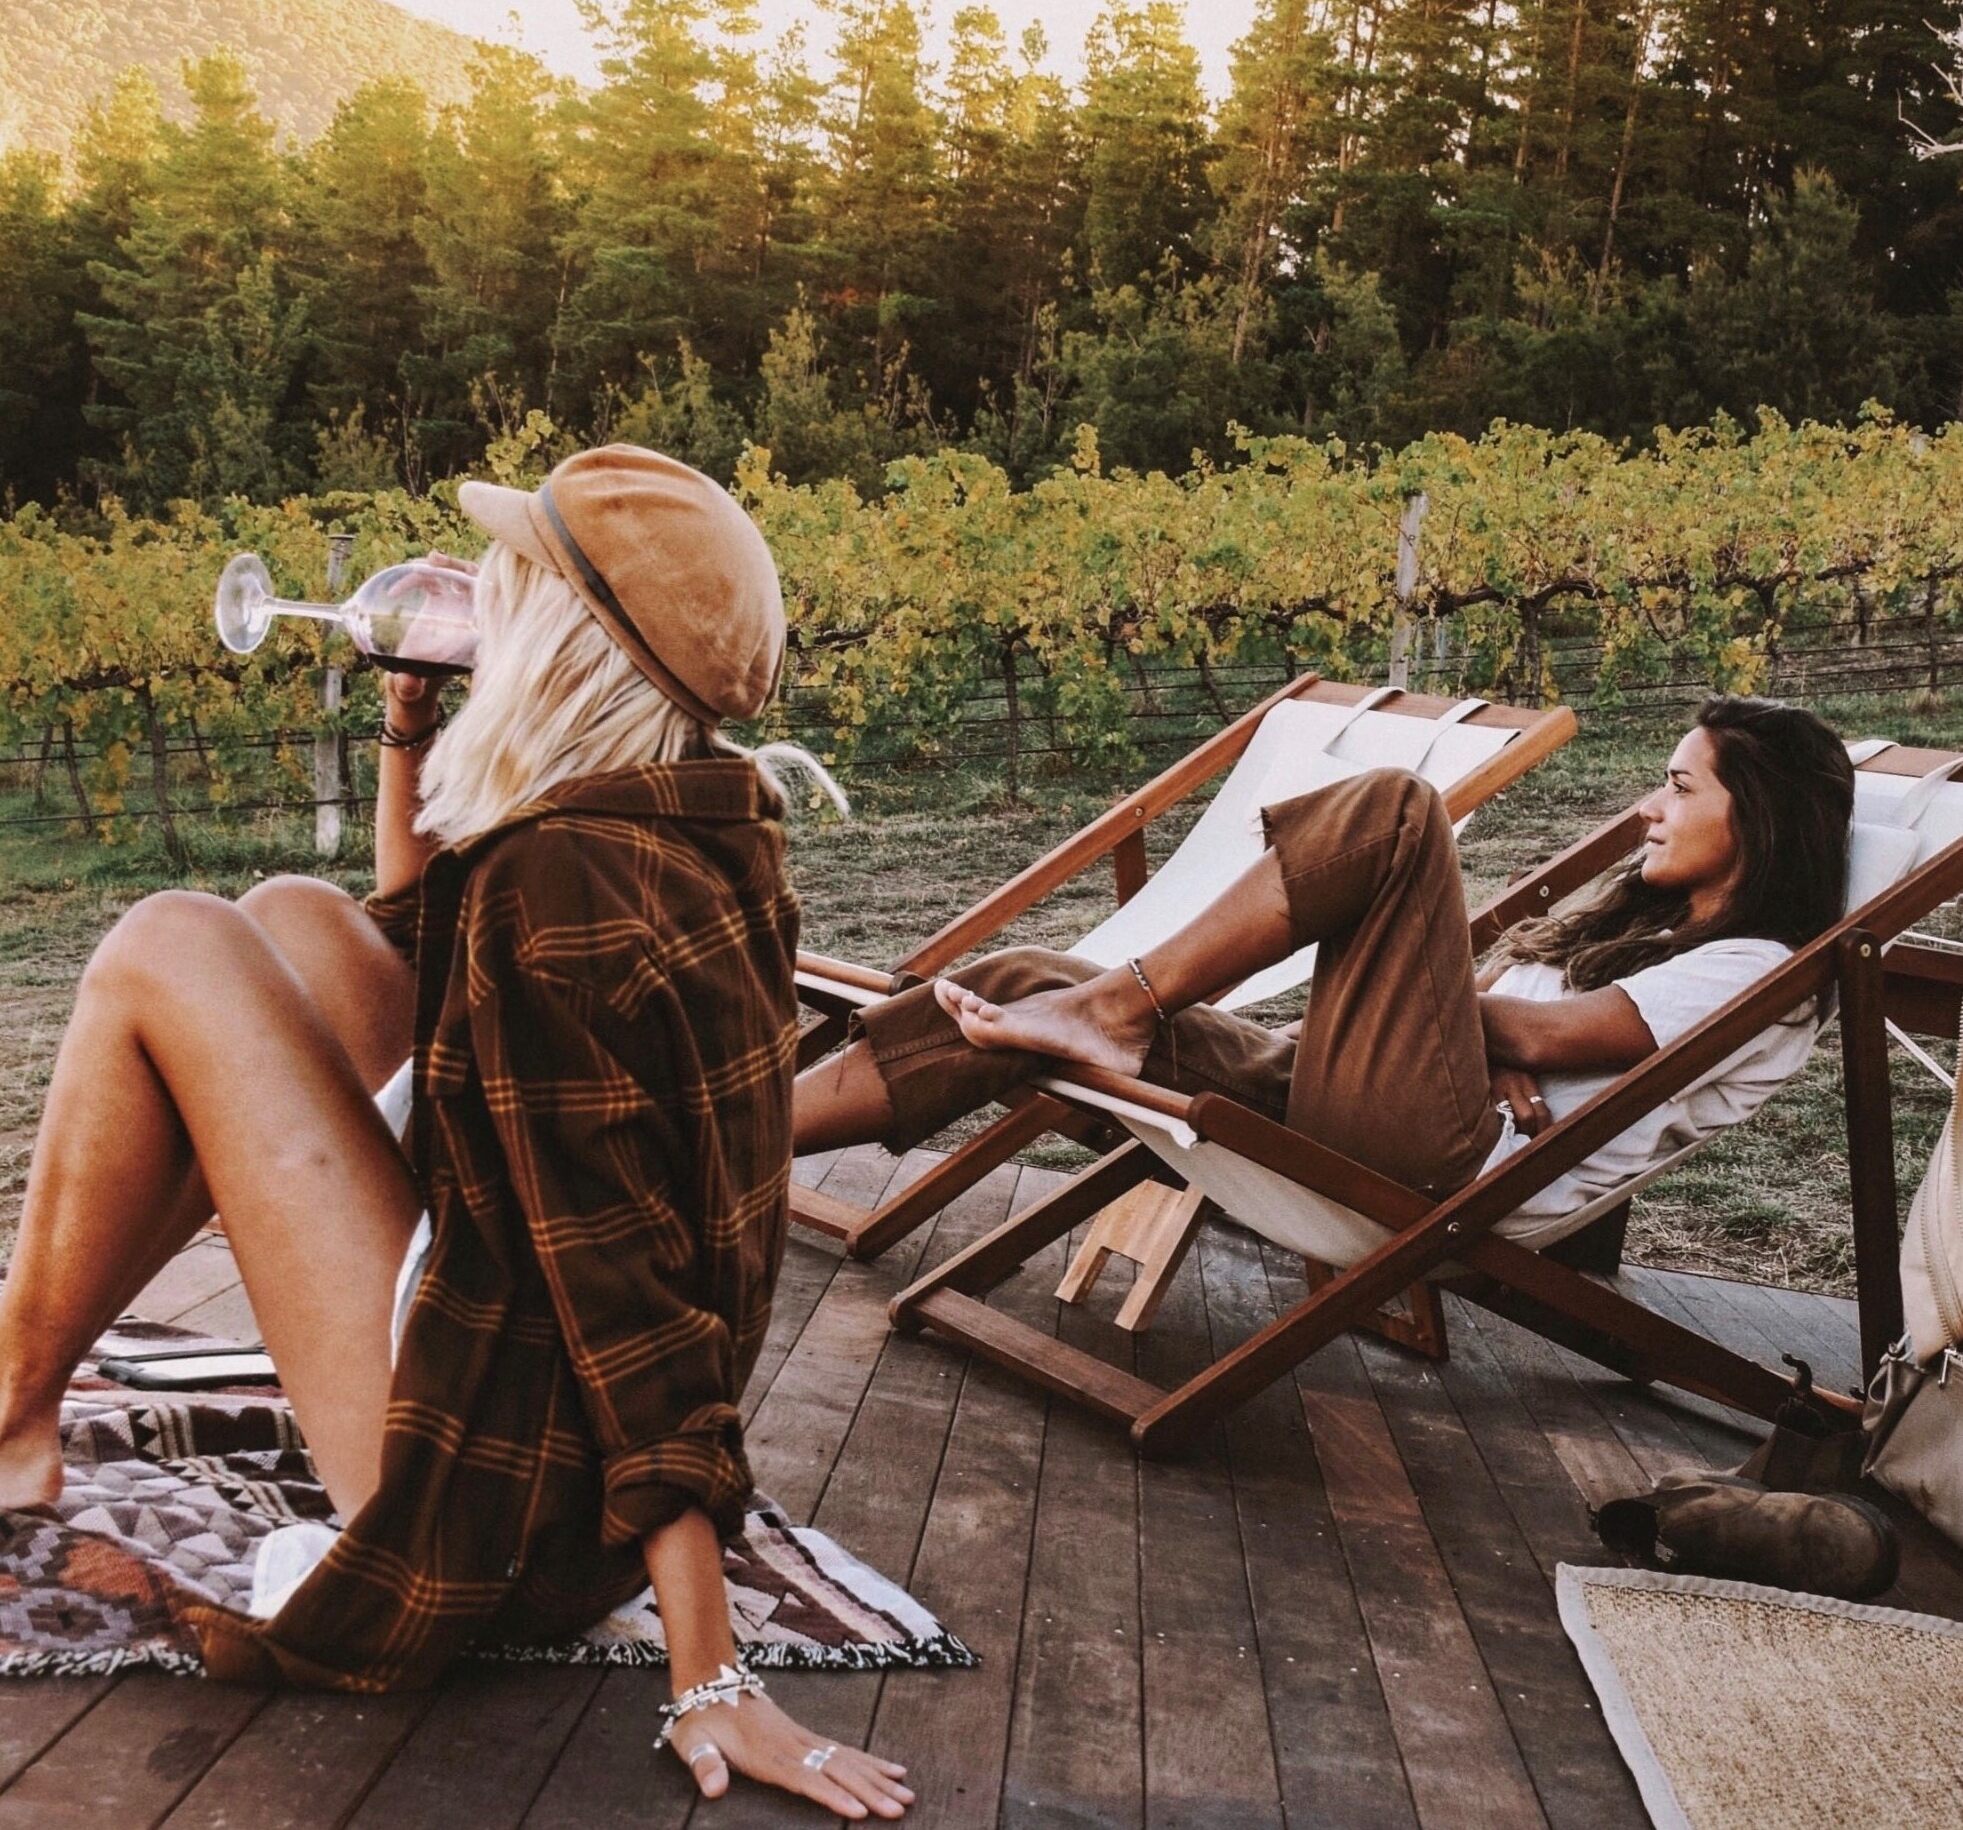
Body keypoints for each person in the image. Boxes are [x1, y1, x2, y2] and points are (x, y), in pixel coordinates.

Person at [0, 446, 910, 1822]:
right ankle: (26, 1381)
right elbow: (428, 964)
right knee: (300, 915)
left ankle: (12, 1406)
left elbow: (629, 1295)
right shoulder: (687, 821)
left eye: (515, 573)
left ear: (560, 633)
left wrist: (711, 1666)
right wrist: (409, 727)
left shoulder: (562, 889)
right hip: (532, 1418)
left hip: (500, 1500)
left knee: (164, 943)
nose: (479, 585)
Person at [795, 697, 1854, 1243]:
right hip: (1369, 1096)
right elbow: (1498, 1033)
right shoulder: (1643, 925)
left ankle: (1116, 1009)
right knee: (1025, 979)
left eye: (1677, 788)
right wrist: (1473, 1047)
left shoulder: (1754, 967)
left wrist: (1477, 1040)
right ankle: (736, 1138)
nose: (1646, 809)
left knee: (1395, 814)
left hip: (1436, 1161)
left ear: (1753, 818)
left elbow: (1540, 1039)